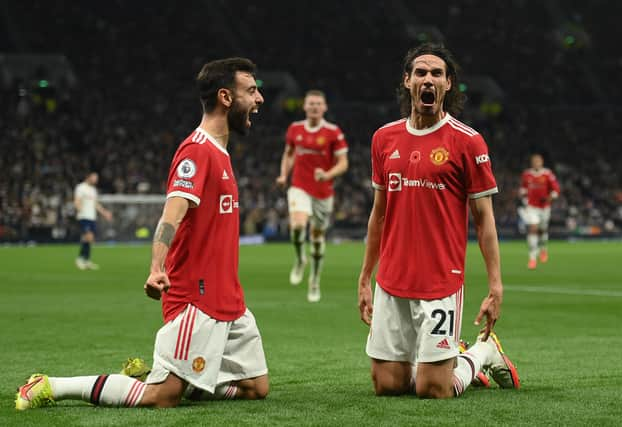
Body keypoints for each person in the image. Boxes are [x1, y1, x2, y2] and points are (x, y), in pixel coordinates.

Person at [16, 57, 269, 410]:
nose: (259, 99)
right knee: (161, 398)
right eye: (252, 90)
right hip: (197, 296)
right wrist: (156, 267)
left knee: (256, 388)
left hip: (229, 297)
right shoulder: (196, 150)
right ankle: (49, 385)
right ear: (226, 97)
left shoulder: (220, 151)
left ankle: (157, 376)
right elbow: (171, 215)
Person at [357, 43, 520, 399]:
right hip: (392, 279)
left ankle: (481, 352)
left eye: (436, 74)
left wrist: (495, 287)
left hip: (440, 282)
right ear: (407, 81)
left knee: (434, 390)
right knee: (388, 386)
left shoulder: (468, 141)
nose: (427, 79)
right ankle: (438, 357)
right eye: (420, 72)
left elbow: (484, 221)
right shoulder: (384, 139)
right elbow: (379, 214)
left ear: (448, 85)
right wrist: (365, 276)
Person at [275, 90, 349, 302]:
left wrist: (327, 174)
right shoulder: (295, 129)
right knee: (298, 226)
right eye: (311, 104)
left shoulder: (333, 132)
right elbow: (288, 154)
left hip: (323, 193)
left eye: (318, 104)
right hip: (299, 186)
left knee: (317, 239)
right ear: (304, 106)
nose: (314, 107)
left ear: (324, 107)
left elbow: (343, 163)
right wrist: (283, 175)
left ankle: (314, 279)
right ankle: (300, 259)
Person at [519, 153, 560, 269]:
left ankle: (543, 249)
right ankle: (532, 258)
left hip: (544, 207)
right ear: (532, 163)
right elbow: (522, 189)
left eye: (538, 161)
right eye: (534, 161)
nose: (536, 163)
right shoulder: (527, 175)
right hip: (532, 207)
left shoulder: (547, 174)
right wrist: (523, 197)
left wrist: (550, 197)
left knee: (542, 230)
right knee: (533, 228)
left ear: (542, 162)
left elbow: (556, 189)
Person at [74, 172, 113, 270]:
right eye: (94, 177)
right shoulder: (80, 187)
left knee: (88, 239)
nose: (96, 180)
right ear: (88, 177)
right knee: (89, 237)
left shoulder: (93, 190)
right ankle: (80, 259)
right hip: (83, 216)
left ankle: (86, 260)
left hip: (92, 217)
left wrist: (105, 213)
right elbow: (77, 200)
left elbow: (96, 204)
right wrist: (78, 208)